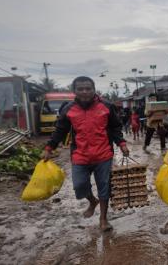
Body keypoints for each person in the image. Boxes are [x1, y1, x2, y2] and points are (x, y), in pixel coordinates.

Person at [43, 76, 130, 231]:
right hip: (80, 155)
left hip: (103, 155)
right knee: (79, 185)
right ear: (74, 91)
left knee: (104, 187)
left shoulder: (106, 106)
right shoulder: (68, 109)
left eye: (88, 88)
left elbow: (116, 127)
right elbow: (60, 130)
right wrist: (49, 148)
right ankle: (92, 201)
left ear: (94, 89)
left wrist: (122, 144)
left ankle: (103, 219)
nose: (85, 92)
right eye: (80, 89)